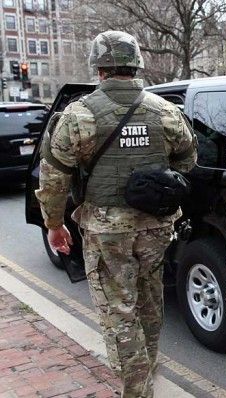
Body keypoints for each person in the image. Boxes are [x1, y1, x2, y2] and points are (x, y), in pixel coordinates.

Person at [36, 30, 197, 397]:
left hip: (106, 230)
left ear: (99, 68)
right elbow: (188, 161)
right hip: (156, 226)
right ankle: (148, 367)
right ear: (136, 64)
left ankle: (137, 390)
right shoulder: (166, 111)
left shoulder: (78, 115)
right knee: (150, 299)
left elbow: (54, 178)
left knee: (118, 312)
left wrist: (54, 224)